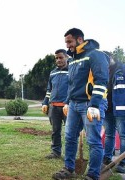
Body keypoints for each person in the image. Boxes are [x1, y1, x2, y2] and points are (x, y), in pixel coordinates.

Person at [52, 28, 109, 180]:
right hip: (74, 105)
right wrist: (67, 102)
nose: (67, 46)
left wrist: (95, 105)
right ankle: (68, 169)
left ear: (79, 39)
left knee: (93, 141)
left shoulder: (96, 55)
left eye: (69, 42)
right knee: (70, 137)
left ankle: (92, 175)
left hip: (91, 105)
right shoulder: (72, 59)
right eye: (66, 42)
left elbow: (102, 80)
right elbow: (72, 84)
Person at [42, 49, 69, 159]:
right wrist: (45, 102)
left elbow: (74, 89)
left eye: (61, 57)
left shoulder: (72, 70)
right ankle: (56, 152)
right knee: (55, 131)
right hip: (53, 106)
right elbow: (49, 89)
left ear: (67, 57)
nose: (58, 60)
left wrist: (69, 103)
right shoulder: (53, 72)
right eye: (56, 58)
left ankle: (69, 154)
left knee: (69, 133)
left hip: (67, 107)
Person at [102, 51, 125, 173]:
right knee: (109, 135)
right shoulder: (103, 72)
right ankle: (107, 159)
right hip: (108, 109)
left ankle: (123, 163)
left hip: (121, 110)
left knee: (123, 136)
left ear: (111, 58)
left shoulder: (122, 69)